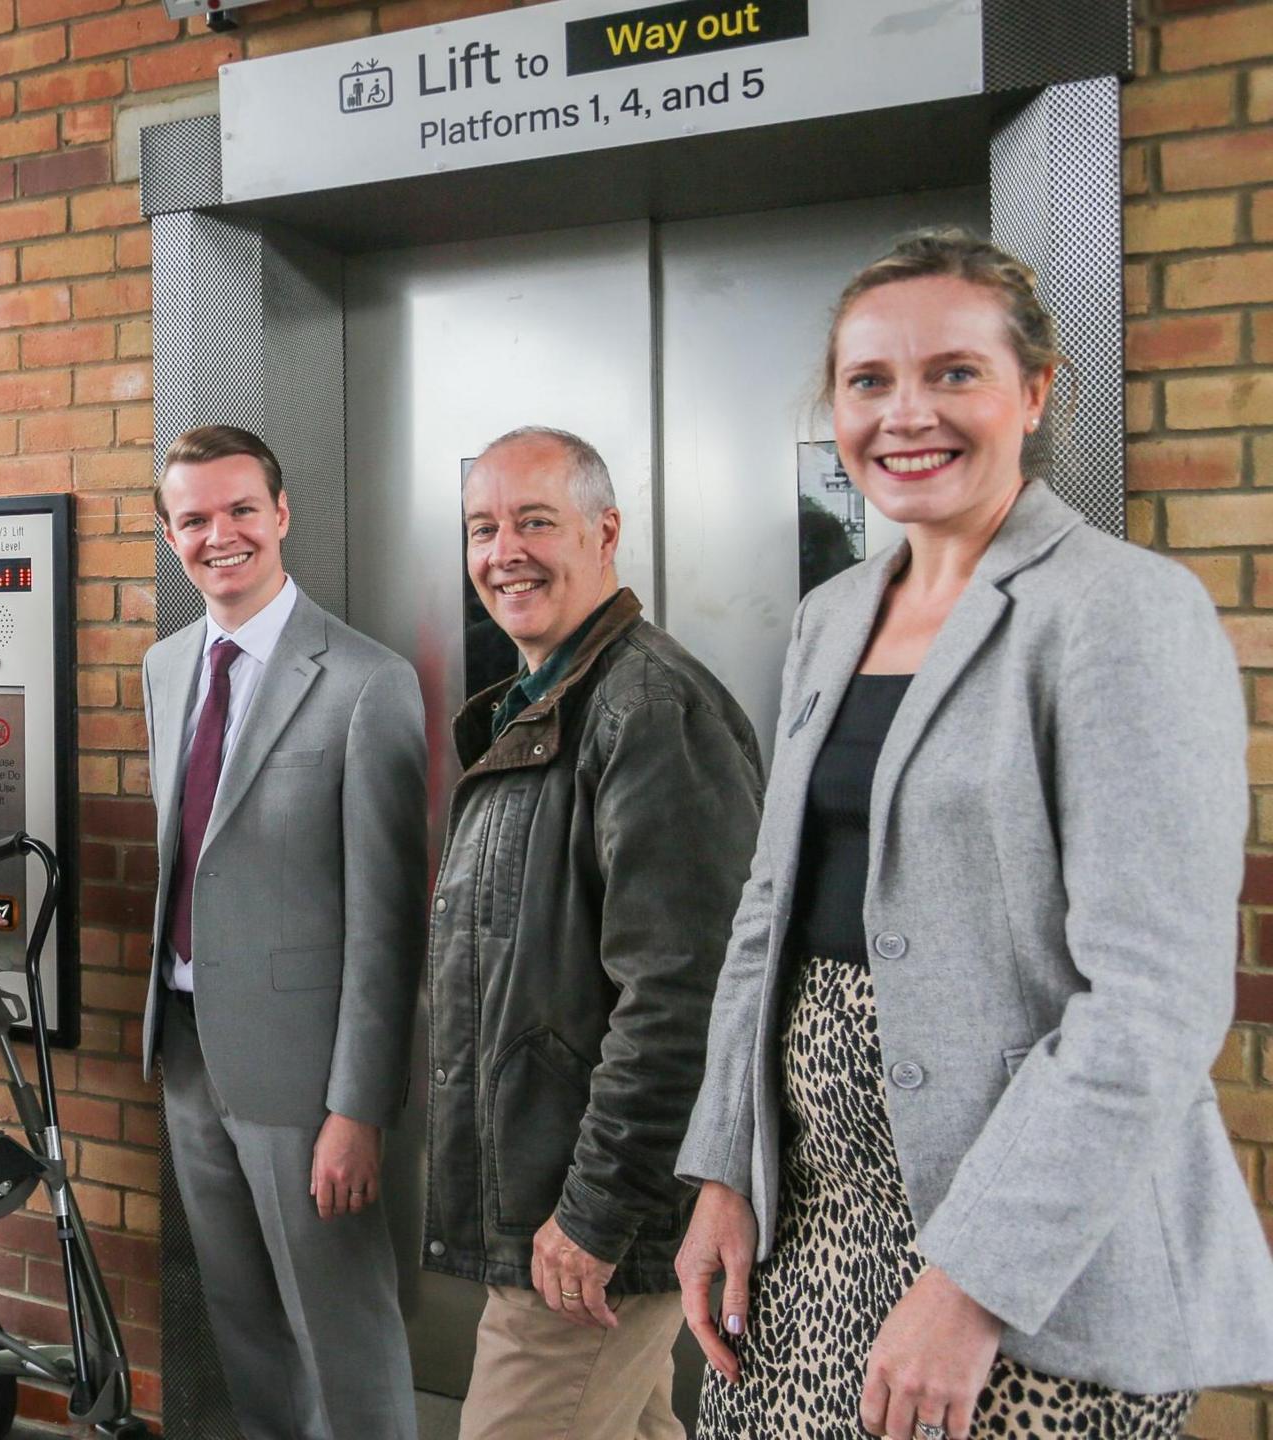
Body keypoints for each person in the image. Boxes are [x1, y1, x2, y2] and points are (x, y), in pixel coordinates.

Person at [675, 230, 1273, 1440]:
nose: (907, 414)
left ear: (1034, 391)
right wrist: (724, 1169)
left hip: (1025, 1262)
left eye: (954, 373)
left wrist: (973, 1281)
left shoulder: (1119, 611)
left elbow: (1152, 1000)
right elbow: (766, 915)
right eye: (869, 381)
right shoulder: (834, 612)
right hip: (813, 1225)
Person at [425, 428, 763, 1440]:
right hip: (551, 1210)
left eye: (535, 521)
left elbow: (682, 994)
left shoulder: (645, 708)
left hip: (587, 1223)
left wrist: (594, 1213)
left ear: (605, 532)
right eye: (483, 527)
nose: (503, 551)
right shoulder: (545, 703)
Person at [138, 424, 429, 1440]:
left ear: (280, 513)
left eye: (239, 510)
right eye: (194, 518)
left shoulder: (364, 680)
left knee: (341, 1331)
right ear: (169, 533)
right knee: (242, 1324)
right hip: (186, 1051)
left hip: (308, 1081)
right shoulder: (166, 668)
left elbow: (388, 927)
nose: (220, 535)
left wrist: (357, 1107)